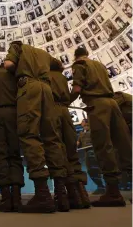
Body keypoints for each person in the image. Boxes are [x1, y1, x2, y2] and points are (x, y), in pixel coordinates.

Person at [4, 41, 68, 213]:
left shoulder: (18, 47)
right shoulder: (43, 53)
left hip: (29, 88)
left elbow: (8, 64)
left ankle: (42, 194)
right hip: (47, 90)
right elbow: (60, 66)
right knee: (52, 138)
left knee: (29, 135)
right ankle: (61, 195)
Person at [70, 47, 132, 207]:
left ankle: (113, 192)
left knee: (103, 146)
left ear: (75, 56)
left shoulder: (79, 64)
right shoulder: (99, 65)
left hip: (97, 105)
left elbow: (77, 89)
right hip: (113, 104)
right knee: (125, 145)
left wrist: (65, 101)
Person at [49, 58, 90, 209]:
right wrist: (67, 102)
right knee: (71, 150)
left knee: (56, 150)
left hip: (52, 111)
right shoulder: (61, 76)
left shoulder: (45, 76)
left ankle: (64, 196)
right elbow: (73, 92)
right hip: (65, 111)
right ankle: (81, 194)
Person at [0, 63, 24, 212]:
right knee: (15, 154)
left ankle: (5, 198)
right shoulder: (15, 76)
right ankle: (17, 198)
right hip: (14, 114)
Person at [77, 119, 105, 195]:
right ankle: (100, 186)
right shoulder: (81, 133)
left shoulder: (92, 131)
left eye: (82, 122)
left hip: (93, 151)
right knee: (90, 170)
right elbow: (78, 142)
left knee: (96, 169)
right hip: (86, 152)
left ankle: (103, 187)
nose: (81, 123)